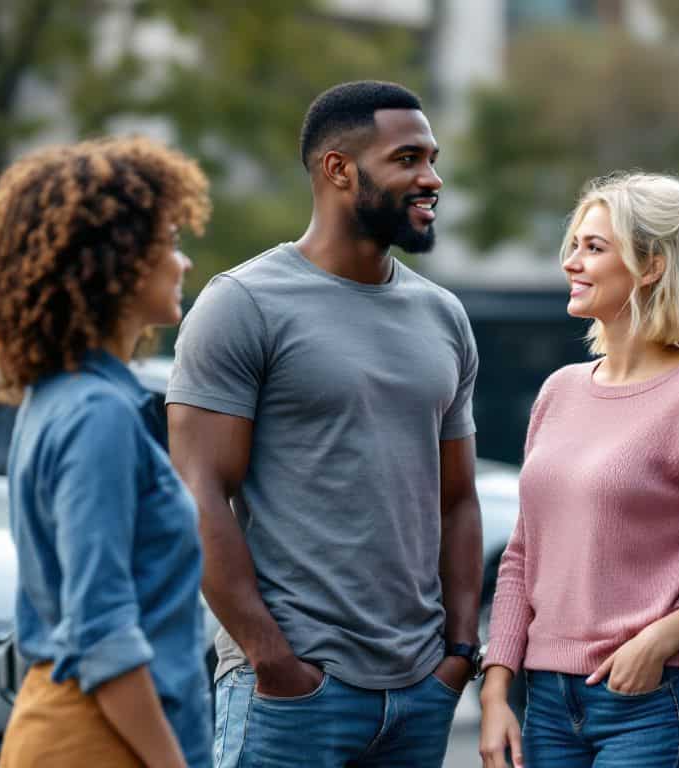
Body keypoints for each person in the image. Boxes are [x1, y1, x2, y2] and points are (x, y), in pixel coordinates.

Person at [166, 80, 481, 768]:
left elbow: (456, 499)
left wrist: (458, 653)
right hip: (293, 693)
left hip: (420, 691)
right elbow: (198, 494)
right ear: (339, 169)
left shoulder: (443, 316)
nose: (431, 179)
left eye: (432, 158)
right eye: (407, 159)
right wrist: (270, 659)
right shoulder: (243, 305)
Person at [478, 171, 679, 768]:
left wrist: (663, 639)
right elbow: (522, 555)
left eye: (594, 248)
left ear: (651, 267)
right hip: (545, 704)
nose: (572, 262)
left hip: (653, 702)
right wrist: (495, 687)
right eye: (574, 246)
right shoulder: (559, 392)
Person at [0, 137, 212, 767]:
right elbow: (100, 628)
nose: (182, 263)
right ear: (120, 260)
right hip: (103, 740)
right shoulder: (97, 414)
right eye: (170, 243)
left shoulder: (62, 398)